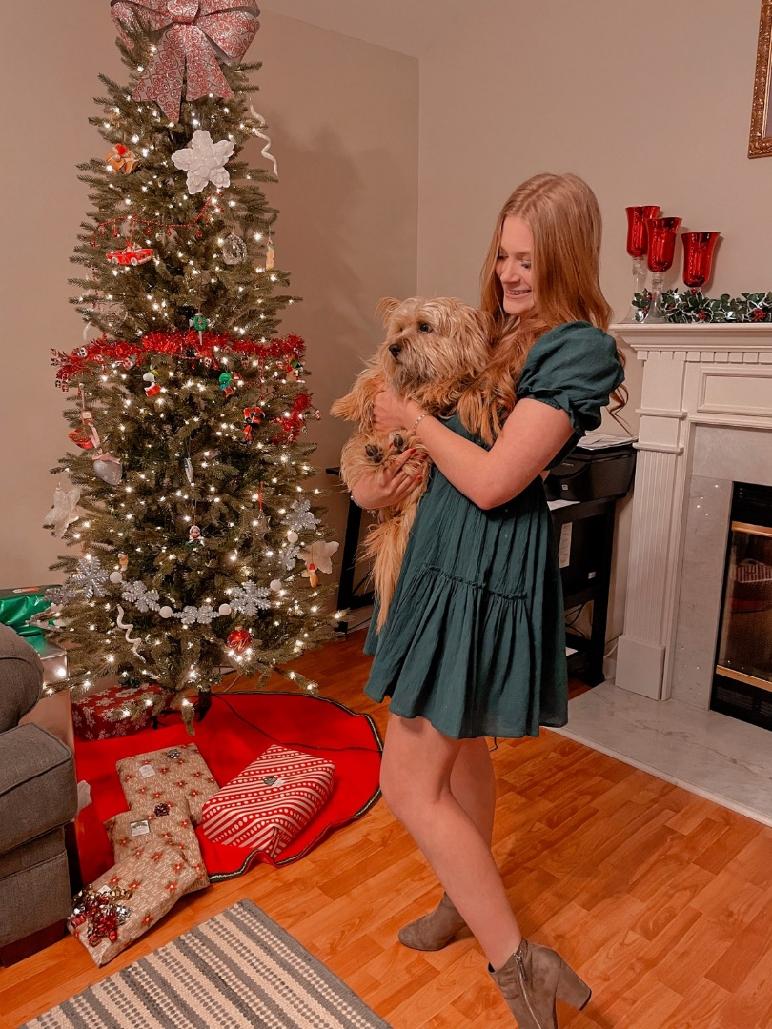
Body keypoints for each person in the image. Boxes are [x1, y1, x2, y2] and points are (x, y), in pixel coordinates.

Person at [348, 172, 626, 1027]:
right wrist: (381, 474)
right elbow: (406, 447)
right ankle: (462, 897)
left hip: (483, 566)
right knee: (462, 750)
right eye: (504, 255)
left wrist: (413, 419)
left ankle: (520, 964)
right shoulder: (491, 333)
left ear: (566, 259)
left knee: (406, 781)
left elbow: (498, 479)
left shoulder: (579, 350)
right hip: (437, 551)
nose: (509, 274)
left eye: (528, 260)